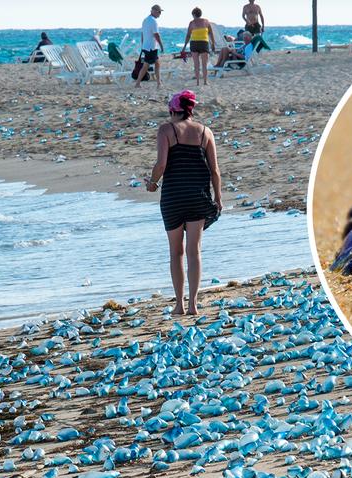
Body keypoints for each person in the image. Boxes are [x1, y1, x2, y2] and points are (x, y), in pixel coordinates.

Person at [146, 91, 222, 316]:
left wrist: (151, 183)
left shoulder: (166, 130)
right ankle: (193, 305)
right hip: (197, 196)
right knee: (194, 252)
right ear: (190, 110)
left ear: (172, 111)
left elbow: (161, 165)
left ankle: (179, 304)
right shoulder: (205, 132)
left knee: (176, 252)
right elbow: (215, 170)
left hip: (173, 197)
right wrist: (218, 197)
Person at [182, 8, 215, 86]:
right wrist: (213, 43)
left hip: (194, 43)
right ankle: (205, 82)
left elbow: (188, 35)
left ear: (193, 14)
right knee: (204, 64)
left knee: (196, 64)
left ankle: (197, 82)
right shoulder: (206, 22)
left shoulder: (192, 23)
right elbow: (211, 34)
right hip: (204, 43)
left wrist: (184, 47)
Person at [135, 4, 165, 88]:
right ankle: (138, 83)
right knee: (146, 66)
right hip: (151, 47)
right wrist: (161, 46)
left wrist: (143, 45)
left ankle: (159, 83)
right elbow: (156, 35)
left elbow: (142, 34)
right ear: (154, 11)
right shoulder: (153, 21)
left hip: (147, 46)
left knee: (156, 63)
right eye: (159, 12)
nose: (160, 14)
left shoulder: (145, 20)